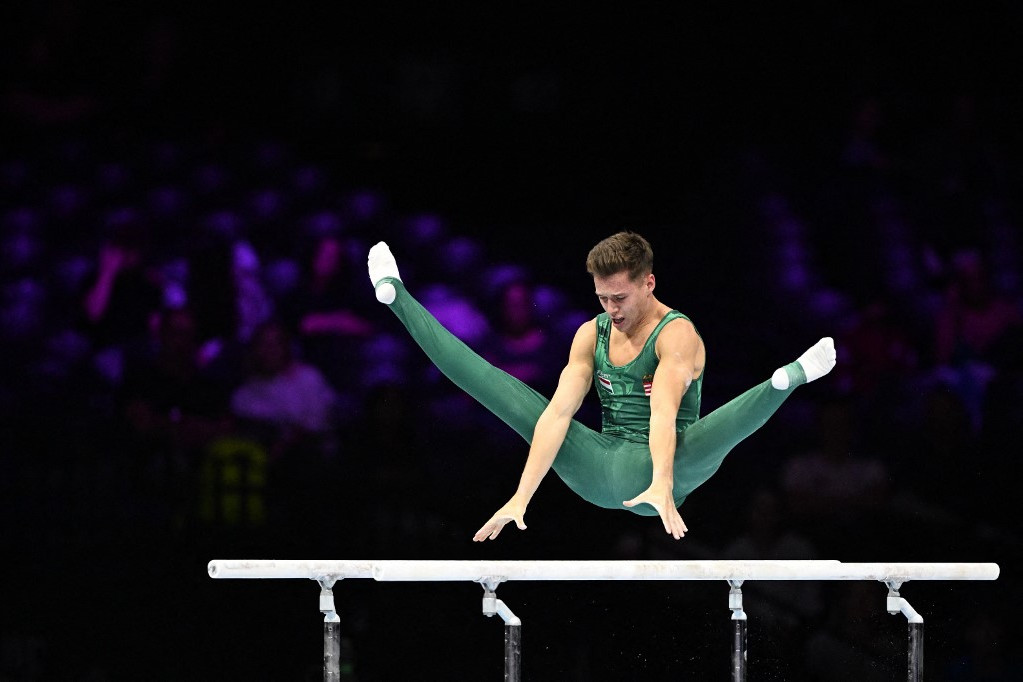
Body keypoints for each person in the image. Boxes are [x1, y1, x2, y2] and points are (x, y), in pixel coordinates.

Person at [367, 232, 836, 541]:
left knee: (706, 435)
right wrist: (521, 496)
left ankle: (785, 380)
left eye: (620, 297)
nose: (611, 309)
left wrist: (661, 483)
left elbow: (663, 413)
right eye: (602, 298)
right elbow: (557, 415)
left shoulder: (676, 335)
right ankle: (397, 296)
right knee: (506, 394)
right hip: (596, 469)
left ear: (649, 283)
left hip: (665, 469)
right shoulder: (592, 334)